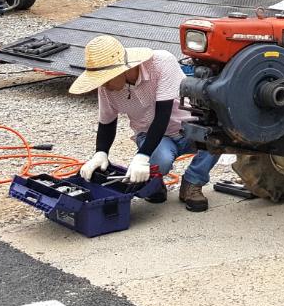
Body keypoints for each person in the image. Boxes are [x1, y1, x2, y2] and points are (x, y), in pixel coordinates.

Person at [69, 35, 218, 212]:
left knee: (218, 138)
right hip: (151, 135)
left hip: (188, 128)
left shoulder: (161, 63)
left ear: (122, 70)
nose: (104, 86)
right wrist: (100, 153)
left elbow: (162, 115)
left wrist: (142, 157)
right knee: (160, 161)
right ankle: (155, 183)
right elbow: (107, 122)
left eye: (106, 79)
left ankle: (192, 182)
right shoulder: (106, 88)